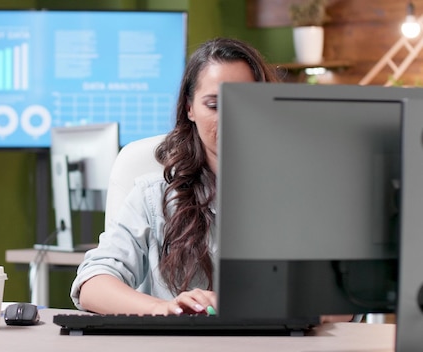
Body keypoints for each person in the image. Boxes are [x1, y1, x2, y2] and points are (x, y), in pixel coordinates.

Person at [70, 37, 351, 323]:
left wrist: (247, 306)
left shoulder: (302, 193)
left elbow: (341, 306)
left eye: (244, 102)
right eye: (214, 105)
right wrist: (163, 310)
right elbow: (93, 284)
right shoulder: (153, 196)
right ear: (190, 109)